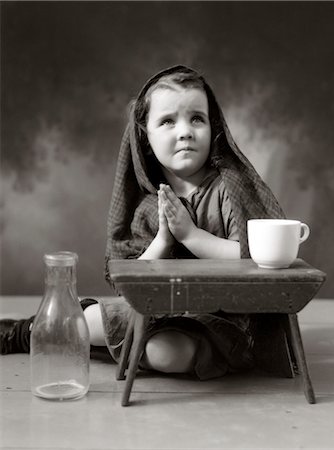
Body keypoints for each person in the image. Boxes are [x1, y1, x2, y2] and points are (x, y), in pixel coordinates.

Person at [0, 65, 294, 379]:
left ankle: (102, 345)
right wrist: (164, 242)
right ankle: (31, 331)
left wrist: (192, 236)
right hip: (154, 309)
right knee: (93, 321)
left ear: (214, 126)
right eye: (168, 121)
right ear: (145, 137)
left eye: (197, 118)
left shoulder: (228, 188)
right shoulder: (145, 203)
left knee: (168, 354)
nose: (185, 131)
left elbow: (250, 257)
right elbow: (131, 285)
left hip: (221, 317)